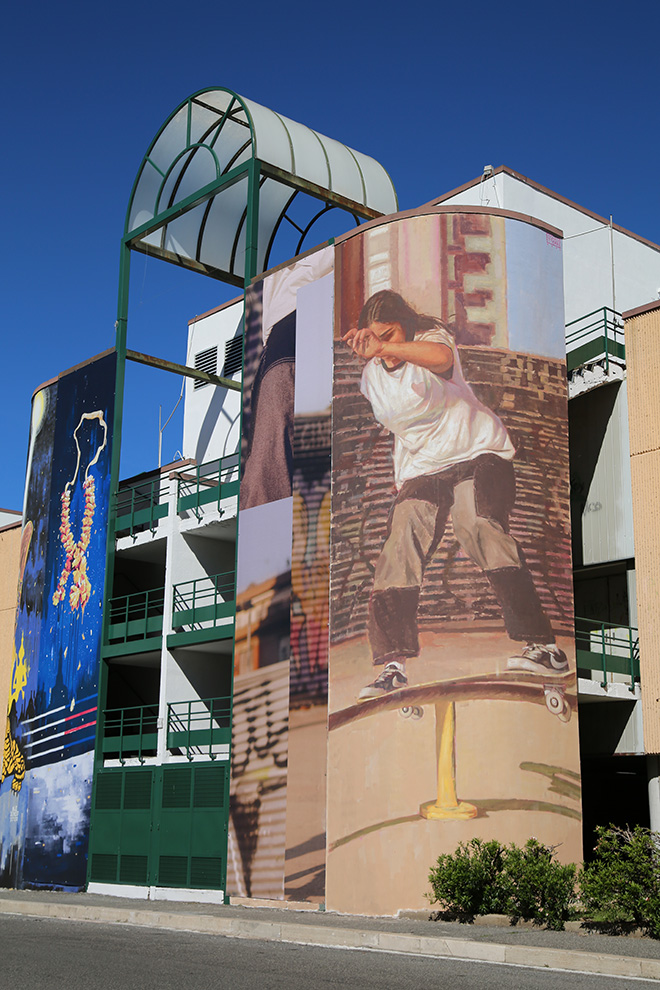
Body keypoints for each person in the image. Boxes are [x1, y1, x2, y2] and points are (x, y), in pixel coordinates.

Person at [342, 289, 568, 700]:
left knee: (475, 524)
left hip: (478, 451)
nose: (384, 350)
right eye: (376, 340)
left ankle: (544, 647)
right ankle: (393, 664)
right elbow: (402, 426)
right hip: (424, 468)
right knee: (399, 546)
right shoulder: (370, 378)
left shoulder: (432, 343)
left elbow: (442, 361)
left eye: (390, 335)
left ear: (405, 328)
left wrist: (392, 346)